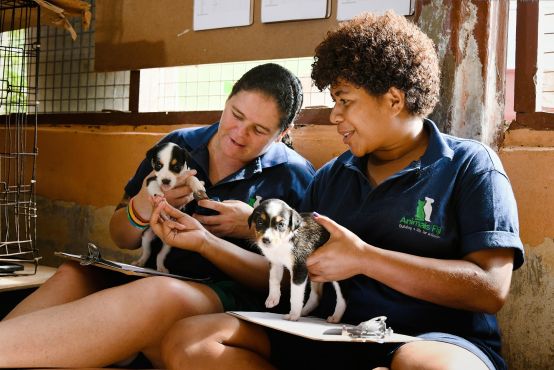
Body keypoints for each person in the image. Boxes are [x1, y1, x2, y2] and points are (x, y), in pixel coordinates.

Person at [157, 11, 524, 370]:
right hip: (335, 335)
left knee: (424, 365)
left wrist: (365, 257)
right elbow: (291, 271)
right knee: (191, 340)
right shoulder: (332, 177)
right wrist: (206, 240)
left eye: (344, 101)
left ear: (394, 100)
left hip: (434, 341)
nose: (334, 115)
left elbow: (491, 289)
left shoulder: (470, 166)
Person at [0, 63, 315, 368]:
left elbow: (291, 281)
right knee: (76, 273)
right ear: (227, 100)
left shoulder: (294, 175)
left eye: (259, 130)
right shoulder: (177, 145)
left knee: (160, 294)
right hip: (152, 278)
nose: (239, 133)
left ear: (282, 132)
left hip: (231, 298)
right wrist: (141, 207)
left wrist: (228, 236)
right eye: (236, 115)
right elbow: (120, 236)